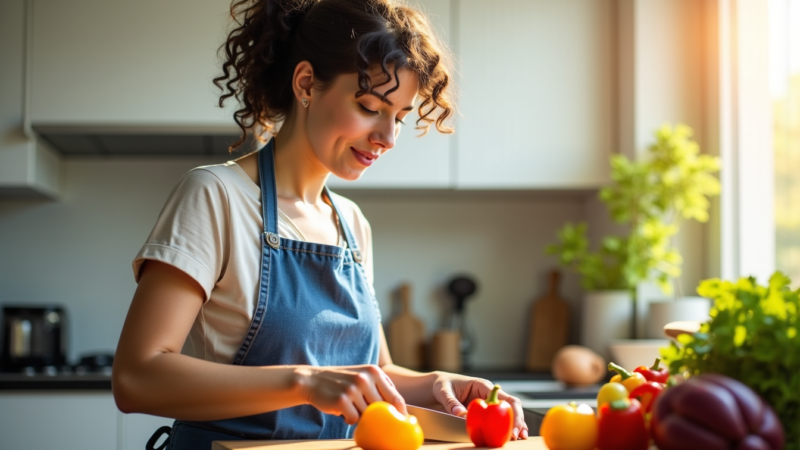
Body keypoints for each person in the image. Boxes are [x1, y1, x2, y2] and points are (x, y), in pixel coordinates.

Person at [112, 0, 528, 448]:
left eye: (400, 118)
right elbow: (137, 377)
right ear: (306, 83)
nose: (388, 138)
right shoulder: (216, 196)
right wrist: (304, 381)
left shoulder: (351, 223)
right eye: (370, 106)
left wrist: (436, 383)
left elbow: (375, 375)